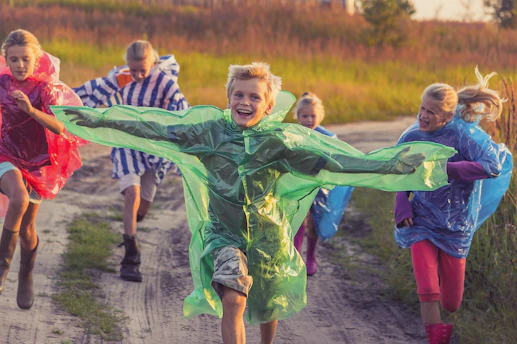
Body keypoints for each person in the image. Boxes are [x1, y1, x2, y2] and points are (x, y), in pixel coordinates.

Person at [52, 62, 454, 344]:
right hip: (224, 234)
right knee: (234, 297)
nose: (245, 102)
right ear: (228, 97)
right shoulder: (209, 133)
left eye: (254, 97)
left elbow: (339, 163)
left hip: (270, 238)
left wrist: (396, 163)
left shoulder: (279, 142)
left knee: (269, 304)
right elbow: (149, 127)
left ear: (268, 104)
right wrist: (94, 118)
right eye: (238, 94)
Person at [393, 68, 512, 344]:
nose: (423, 115)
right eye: (422, 108)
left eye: (432, 112)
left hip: (456, 226)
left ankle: (443, 312)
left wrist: (447, 169)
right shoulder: (412, 136)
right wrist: (402, 201)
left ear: (447, 117)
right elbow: (398, 169)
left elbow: (492, 165)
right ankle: (436, 338)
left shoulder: (464, 136)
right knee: (427, 288)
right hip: (420, 220)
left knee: (451, 303)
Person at [73, 40, 189, 282]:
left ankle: (130, 226)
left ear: (153, 64)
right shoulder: (119, 78)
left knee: (142, 208)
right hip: (126, 144)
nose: (137, 75)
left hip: (154, 148)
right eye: (132, 70)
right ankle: (131, 259)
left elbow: (181, 106)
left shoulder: (163, 81)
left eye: (142, 70)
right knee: (132, 196)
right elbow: (87, 93)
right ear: (127, 64)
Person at [0, 29, 85, 309]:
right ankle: (2, 267)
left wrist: (31, 111)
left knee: (27, 229)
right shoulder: (1, 83)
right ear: (6, 60)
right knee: (18, 199)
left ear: (36, 60)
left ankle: (26, 274)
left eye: (25, 59)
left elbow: (61, 128)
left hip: (37, 164)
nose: (20, 65)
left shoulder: (45, 88)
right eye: (14, 59)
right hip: (5, 155)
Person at [292, 92, 354, 275]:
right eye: (305, 116)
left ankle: (310, 254)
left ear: (320, 116)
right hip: (298, 185)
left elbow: (336, 159)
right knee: (298, 220)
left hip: (319, 187)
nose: (309, 119)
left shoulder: (327, 136)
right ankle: (295, 256)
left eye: (313, 116)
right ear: (298, 116)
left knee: (313, 223)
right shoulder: (293, 134)